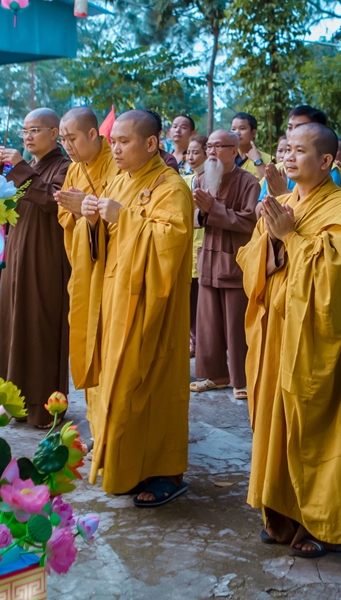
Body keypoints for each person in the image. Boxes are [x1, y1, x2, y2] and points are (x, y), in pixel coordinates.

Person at [239, 121, 341, 557]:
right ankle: (281, 512)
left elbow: (331, 279)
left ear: (327, 160)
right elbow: (251, 260)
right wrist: (273, 241)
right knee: (274, 422)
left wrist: (289, 237)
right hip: (277, 332)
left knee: (313, 423)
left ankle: (321, 524)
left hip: (315, 338)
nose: (288, 158)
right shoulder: (283, 202)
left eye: (299, 151)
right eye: (286, 150)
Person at [81, 110, 194, 506]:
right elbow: (102, 241)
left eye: (124, 141)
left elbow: (170, 243)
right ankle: (123, 463)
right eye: (113, 141)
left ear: (151, 143)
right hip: (115, 300)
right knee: (114, 382)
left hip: (152, 306)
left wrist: (123, 218)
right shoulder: (118, 180)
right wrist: (91, 220)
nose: (115, 149)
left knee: (148, 384)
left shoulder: (171, 187)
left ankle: (165, 472)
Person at [0, 108, 71, 429]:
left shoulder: (66, 167)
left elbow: (53, 200)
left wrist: (20, 168)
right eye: (24, 131)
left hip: (45, 259)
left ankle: (43, 407)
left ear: (54, 133)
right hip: (16, 257)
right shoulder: (31, 167)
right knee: (14, 324)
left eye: (35, 130)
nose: (27, 137)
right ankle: (14, 401)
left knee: (41, 327)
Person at [191, 129, 261, 400]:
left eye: (219, 147)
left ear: (234, 150)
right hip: (208, 261)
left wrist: (214, 209)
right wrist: (202, 212)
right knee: (208, 325)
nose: (212, 152)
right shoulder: (202, 179)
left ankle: (242, 379)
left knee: (236, 326)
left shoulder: (248, 182)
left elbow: (249, 222)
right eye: (209, 146)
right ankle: (216, 376)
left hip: (234, 263)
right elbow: (195, 218)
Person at [55, 106, 121, 393]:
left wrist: (88, 207)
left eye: (72, 138)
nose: (67, 146)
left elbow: (118, 211)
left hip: (111, 265)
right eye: (63, 140)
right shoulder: (74, 168)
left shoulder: (116, 164)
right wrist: (76, 211)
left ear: (93, 134)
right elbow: (64, 214)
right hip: (84, 265)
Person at [261, 105, 341, 197]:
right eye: (289, 127)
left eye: (300, 151)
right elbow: (260, 204)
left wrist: (283, 194)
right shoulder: (276, 169)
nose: (293, 133)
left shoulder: (330, 170)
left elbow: (323, 203)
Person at [184, 135, 209, 355]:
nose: (191, 157)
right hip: (188, 244)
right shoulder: (185, 181)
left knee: (204, 299)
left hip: (205, 244)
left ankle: (202, 342)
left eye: (196, 152)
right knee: (190, 298)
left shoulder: (214, 180)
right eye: (188, 152)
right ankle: (193, 340)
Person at [231, 112, 271, 179]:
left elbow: (268, 183)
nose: (237, 133)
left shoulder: (268, 159)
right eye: (233, 129)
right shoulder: (228, 157)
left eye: (242, 128)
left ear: (253, 133)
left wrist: (258, 161)